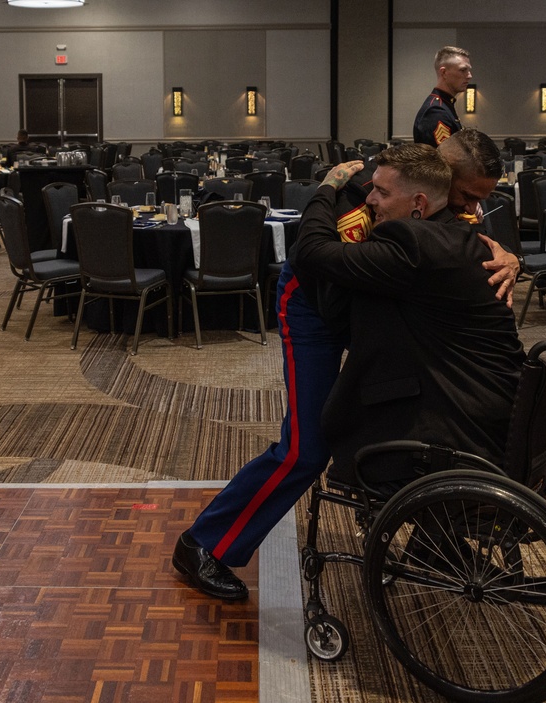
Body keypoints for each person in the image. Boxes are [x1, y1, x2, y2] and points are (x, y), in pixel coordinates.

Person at [172, 132, 516, 601]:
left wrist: (510, 257)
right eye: (468, 196)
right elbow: (319, 262)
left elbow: (468, 242)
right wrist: (325, 188)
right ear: (437, 176)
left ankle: (436, 540)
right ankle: (204, 544)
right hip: (317, 304)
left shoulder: (442, 195)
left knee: (431, 416)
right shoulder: (368, 194)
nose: (474, 208)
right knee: (307, 447)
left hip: (378, 301)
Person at [293, 150, 525, 492]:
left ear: (419, 202)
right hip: (503, 407)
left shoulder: (411, 242)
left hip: (460, 423)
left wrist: (325, 189)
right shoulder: (470, 243)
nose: (470, 209)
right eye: (467, 196)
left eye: (382, 193)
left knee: (324, 435)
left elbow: (311, 252)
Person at [413, 46, 472, 147]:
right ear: (444, 72)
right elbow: (445, 159)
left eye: (469, 70)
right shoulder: (436, 111)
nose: (469, 75)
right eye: (463, 70)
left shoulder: (444, 104)